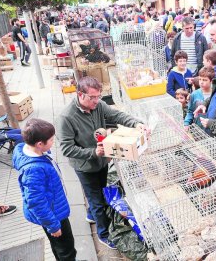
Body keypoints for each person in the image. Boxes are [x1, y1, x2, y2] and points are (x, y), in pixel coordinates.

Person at [56, 77, 149, 250]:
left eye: (99, 96)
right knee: (97, 199)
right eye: (92, 97)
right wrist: (93, 152)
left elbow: (117, 115)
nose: (97, 101)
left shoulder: (98, 105)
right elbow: (66, 149)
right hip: (85, 166)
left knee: (101, 188)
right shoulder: (66, 118)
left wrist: (137, 124)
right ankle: (103, 234)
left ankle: (91, 214)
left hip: (102, 160)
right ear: (80, 94)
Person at [12, 118, 77, 261]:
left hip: (53, 208)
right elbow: (36, 202)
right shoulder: (33, 170)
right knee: (66, 248)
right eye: (52, 140)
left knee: (58, 245)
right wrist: (53, 226)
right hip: (53, 214)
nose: (54, 142)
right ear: (40, 144)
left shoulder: (27, 149)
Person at [184, 66, 215, 131]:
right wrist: (186, 123)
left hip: (212, 128)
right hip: (198, 128)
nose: (201, 82)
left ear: (211, 81)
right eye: (200, 79)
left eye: (204, 80)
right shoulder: (194, 94)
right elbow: (190, 111)